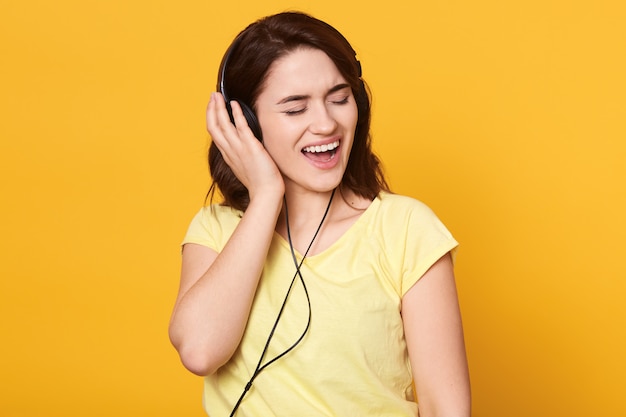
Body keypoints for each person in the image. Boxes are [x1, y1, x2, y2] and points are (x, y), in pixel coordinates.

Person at [169, 11, 470, 417]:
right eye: (295, 109)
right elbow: (200, 351)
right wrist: (266, 198)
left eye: (339, 99)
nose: (326, 123)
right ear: (247, 124)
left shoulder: (406, 229)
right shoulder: (215, 230)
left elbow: (445, 408)